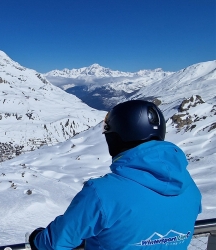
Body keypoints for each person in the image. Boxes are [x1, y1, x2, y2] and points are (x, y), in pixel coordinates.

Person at [29, 100, 202, 250]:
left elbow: (54, 243)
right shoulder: (189, 188)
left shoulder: (101, 193)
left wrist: (35, 237)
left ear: (117, 137)